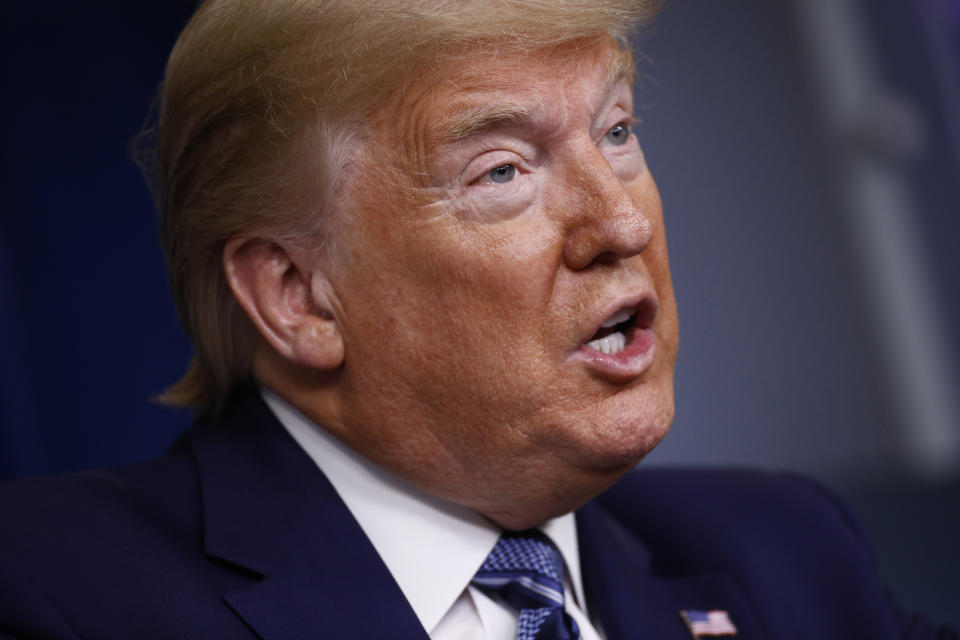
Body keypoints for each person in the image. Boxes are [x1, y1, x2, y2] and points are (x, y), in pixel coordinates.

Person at [0, 1, 954, 638]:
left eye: (617, 131)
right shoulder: (55, 589)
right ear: (296, 294)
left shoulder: (793, 555)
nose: (620, 222)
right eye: (502, 171)